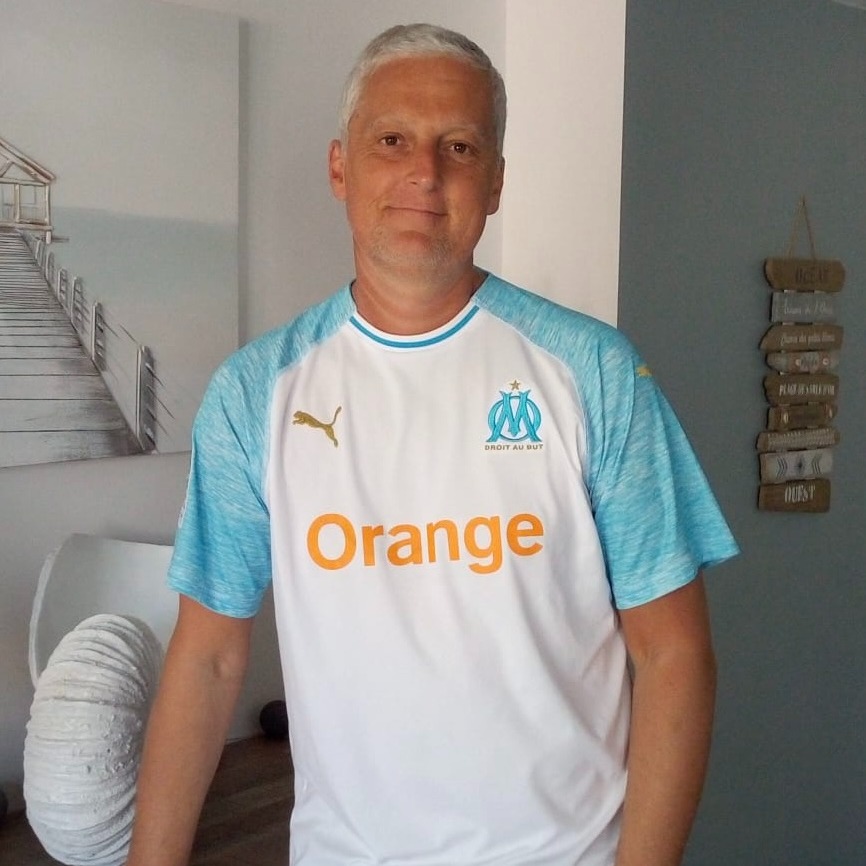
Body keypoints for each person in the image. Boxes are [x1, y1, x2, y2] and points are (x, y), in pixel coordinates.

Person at [127, 22, 738, 866]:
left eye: (460, 146)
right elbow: (208, 660)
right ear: (340, 167)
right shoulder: (255, 393)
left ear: (496, 182)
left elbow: (673, 654)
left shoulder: (595, 373)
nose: (425, 172)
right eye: (392, 140)